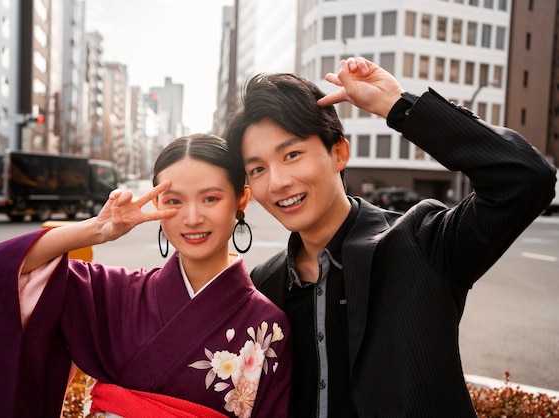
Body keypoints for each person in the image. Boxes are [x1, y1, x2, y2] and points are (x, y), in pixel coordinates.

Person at [225, 57, 557, 417]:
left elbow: (525, 178)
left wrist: (398, 105)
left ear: (339, 152)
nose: (277, 182)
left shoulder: (421, 243)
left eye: (292, 154)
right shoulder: (263, 285)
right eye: (257, 168)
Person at [0, 134, 292, 418]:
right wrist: (96, 230)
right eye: (174, 201)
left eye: (210, 199)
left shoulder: (268, 327)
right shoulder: (115, 292)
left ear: (241, 199)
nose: (192, 217)